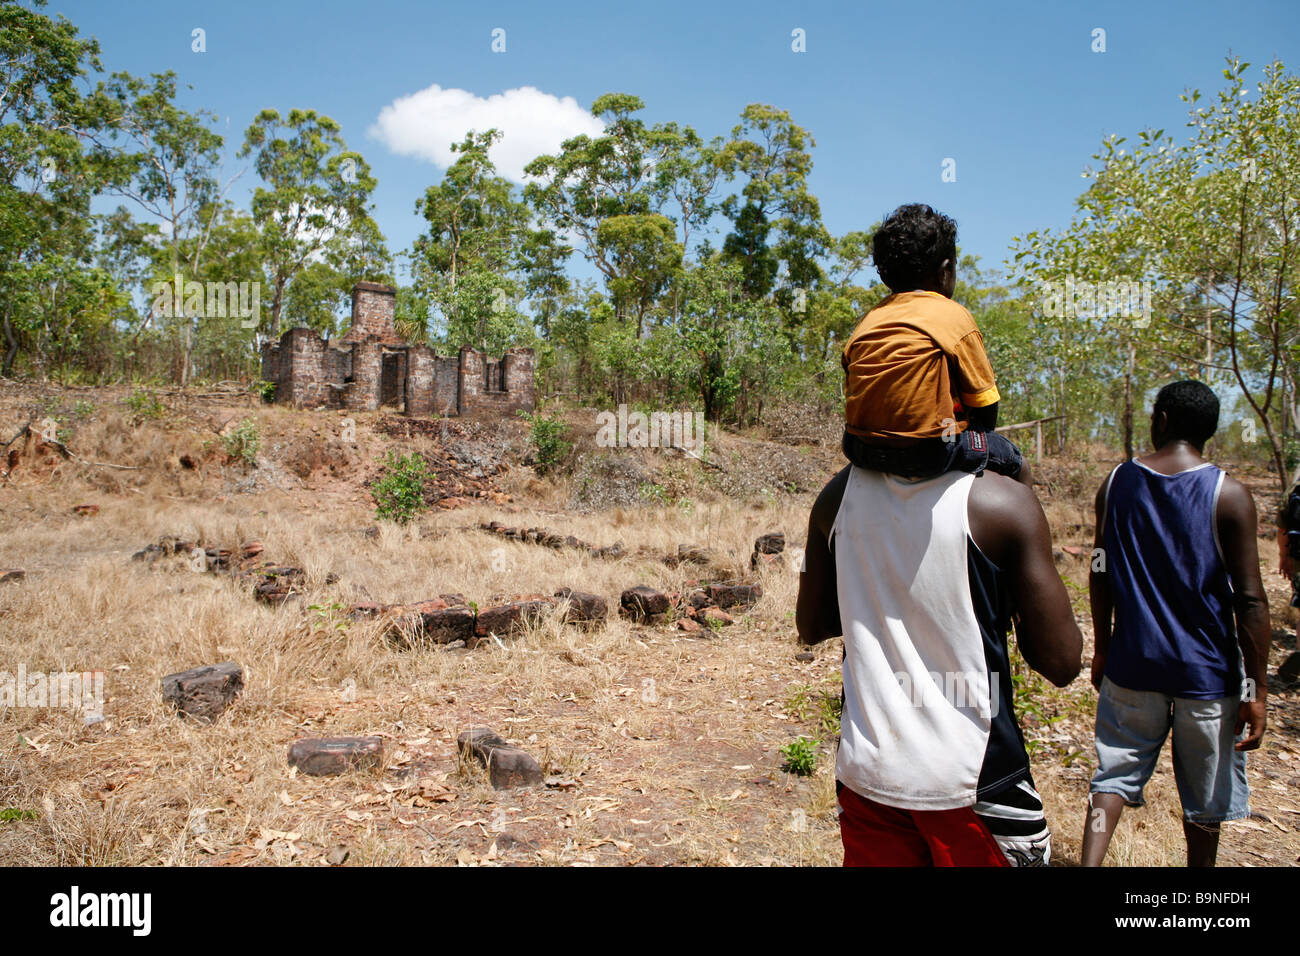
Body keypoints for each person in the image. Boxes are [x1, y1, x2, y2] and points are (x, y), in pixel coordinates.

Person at [796, 459, 1081, 866]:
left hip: (869, 774)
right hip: (973, 780)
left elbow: (812, 625)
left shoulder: (838, 496)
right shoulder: (1002, 501)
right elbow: (1061, 662)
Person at [1082, 380, 1270, 867]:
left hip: (1133, 664)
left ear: (1161, 420)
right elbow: (1250, 600)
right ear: (1209, 429)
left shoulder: (1118, 481)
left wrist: (1104, 647)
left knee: (1112, 779)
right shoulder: (1229, 494)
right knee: (1205, 801)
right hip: (1205, 676)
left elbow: (1099, 571)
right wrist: (1256, 689)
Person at [842, 203, 1030, 485]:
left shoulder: (867, 322)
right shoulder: (953, 315)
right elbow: (986, 408)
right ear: (945, 271)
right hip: (931, 451)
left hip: (860, 449)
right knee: (1017, 463)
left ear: (883, 275)